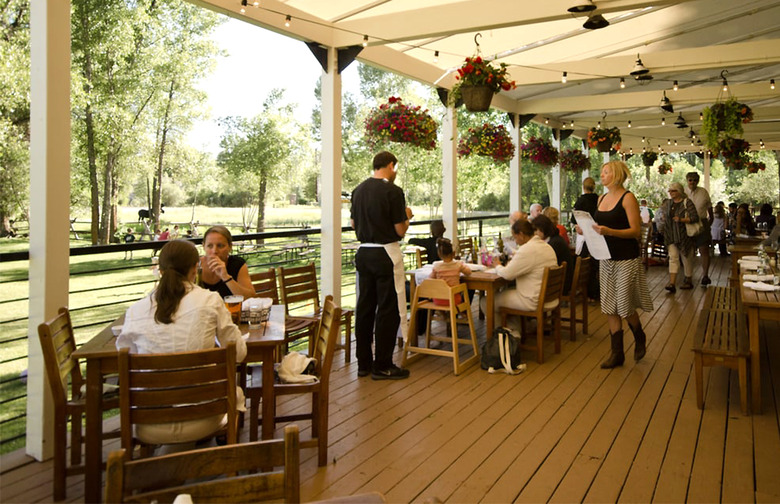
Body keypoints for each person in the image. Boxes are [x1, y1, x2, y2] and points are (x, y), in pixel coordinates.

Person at [116, 240, 247, 446]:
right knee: (233, 389)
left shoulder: (135, 311)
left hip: (148, 421)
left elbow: (125, 359)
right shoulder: (210, 301)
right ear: (195, 268)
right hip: (206, 415)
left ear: (159, 270)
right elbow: (238, 353)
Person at [351, 151, 414, 380]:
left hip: (364, 253)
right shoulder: (393, 191)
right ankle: (383, 364)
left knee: (365, 307)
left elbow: (353, 223)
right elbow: (399, 230)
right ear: (390, 165)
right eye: (395, 167)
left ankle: (364, 363)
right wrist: (407, 216)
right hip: (385, 253)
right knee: (388, 309)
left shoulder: (358, 190)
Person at [590, 161, 653, 369]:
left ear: (616, 175)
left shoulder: (628, 198)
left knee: (624, 305)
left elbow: (636, 231)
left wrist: (610, 231)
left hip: (626, 257)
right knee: (609, 306)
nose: (602, 175)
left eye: (606, 172)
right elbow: (598, 228)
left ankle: (639, 334)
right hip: (606, 258)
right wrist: (587, 230)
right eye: (602, 172)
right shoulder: (601, 198)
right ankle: (617, 354)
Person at [481, 219, 557, 320]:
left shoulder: (527, 249)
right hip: (550, 297)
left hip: (532, 300)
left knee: (486, 302)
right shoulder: (546, 246)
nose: (515, 241)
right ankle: (514, 327)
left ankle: (510, 331)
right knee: (505, 292)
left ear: (521, 234)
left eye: (515, 237)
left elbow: (508, 274)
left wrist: (497, 265)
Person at [660, 182, 699, 293]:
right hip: (671, 235)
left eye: (674, 191)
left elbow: (694, 217)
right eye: (670, 191)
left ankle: (688, 279)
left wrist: (681, 219)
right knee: (673, 258)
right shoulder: (668, 203)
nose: (671, 193)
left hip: (684, 235)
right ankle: (672, 283)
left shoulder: (687, 203)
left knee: (686, 257)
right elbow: (664, 215)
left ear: (679, 191)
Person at [199, 225, 255, 299]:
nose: (214, 251)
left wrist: (225, 277)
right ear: (203, 246)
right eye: (210, 246)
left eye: (220, 246)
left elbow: (250, 298)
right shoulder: (194, 265)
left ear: (230, 247)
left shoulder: (237, 264)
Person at [571, 176, 600, 302]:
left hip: (585, 236)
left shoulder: (581, 201)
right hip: (598, 235)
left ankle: (585, 292)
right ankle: (595, 293)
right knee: (595, 265)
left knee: (583, 263)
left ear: (583, 187)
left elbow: (573, 219)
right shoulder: (599, 199)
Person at [684, 172, 713, 286]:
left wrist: (708, 225)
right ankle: (688, 276)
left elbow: (710, 210)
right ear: (687, 180)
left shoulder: (703, 192)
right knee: (688, 252)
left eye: (695, 180)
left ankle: (705, 275)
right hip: (687, 224)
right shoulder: (683, 192)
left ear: (698, 181)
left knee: (704, 250)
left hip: (702, 222)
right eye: (690, 180)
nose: (692, 182)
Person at [532, 215, 574, 294]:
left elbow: (541, 261)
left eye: (536, 230)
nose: (535, 234)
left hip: (561, 284)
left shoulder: (554, 243)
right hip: (561, 280)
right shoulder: (555, 239)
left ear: (543, 229)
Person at [429, 238, 472, 306]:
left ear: (439, 254)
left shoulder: (436, 266)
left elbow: (431, 279)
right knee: (465, 288)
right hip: (454, 299)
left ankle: (443, 313)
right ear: (453, 253)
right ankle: (459, 313)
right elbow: (468, 272)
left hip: (438, 300)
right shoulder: (458, 264)